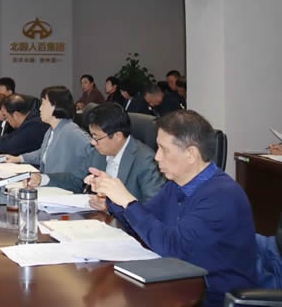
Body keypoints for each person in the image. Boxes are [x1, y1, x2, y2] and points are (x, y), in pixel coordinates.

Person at [87, 110, 257, 306]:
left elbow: (174, 248)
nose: (157, 157)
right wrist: (112, 196)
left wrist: (128, 201)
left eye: (163, 149)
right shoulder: (176, 185)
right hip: (177, 282)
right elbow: (140, 223)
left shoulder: (222, 196)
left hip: (212, 296)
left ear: (191, 154)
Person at [26, 103, 165, 204]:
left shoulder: (145, 160)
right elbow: (75, 180)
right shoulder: (98, 152)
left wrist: (111, 207)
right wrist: (42, 179)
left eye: (96, 137)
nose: (93, 142)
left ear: (117, 136)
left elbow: (153, 209)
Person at [5, 86, 103, 177]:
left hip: (63, 186)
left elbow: (96, 152)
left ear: (55, 106)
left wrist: (90, 178)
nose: (40, 108)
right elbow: (43, 153)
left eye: (43, 104)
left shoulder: (71, 132)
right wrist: (19, 158)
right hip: (49, 182)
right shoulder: (51, 130)